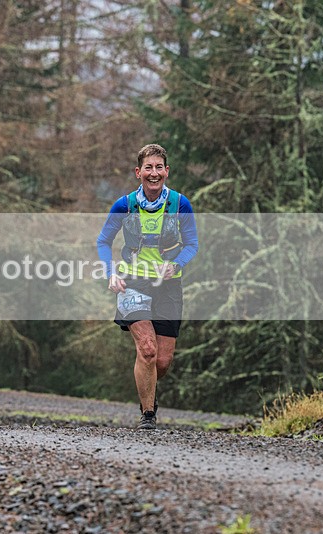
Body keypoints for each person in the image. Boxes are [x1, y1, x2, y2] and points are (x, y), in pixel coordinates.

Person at [96, 143, 198, 430]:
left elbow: (192, 244)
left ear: (167, 171)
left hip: (168, 284)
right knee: (148, 350)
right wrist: (111, 273)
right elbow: (104, 242)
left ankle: (147, 383)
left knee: (161, 361)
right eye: (148, 168)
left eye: (159, 167)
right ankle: (148, 414)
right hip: (133, 281)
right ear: (138, 172)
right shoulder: (124, 205)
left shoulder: (180, 204)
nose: (154, 173)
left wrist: (176, 265)